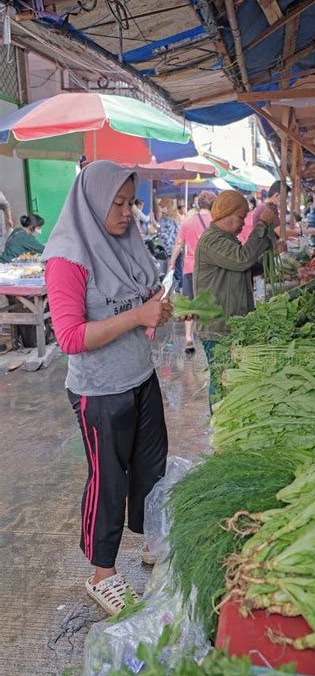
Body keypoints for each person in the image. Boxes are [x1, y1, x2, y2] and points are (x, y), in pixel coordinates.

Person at [43, 161, 173, 615]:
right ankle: (102, 574)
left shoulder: (125, 240)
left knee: (151, 466)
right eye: (116, 203)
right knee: (109, 478)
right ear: (93, 200)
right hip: (100, 390)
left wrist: (154, 312)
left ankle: (152, 541)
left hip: (140, 375)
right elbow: (70, 338)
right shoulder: (68, 256)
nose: (125, 212)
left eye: (130, 201)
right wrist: (137, 317)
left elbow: (141, 299)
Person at [193, 190, 277, 404]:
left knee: (231, 382)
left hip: (231, 326)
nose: (243, 223)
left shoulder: (227, 240)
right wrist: (261, 226)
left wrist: (268, 242)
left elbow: (245, 266)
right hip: (218, 328)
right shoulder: (212, 241)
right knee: (222, 382)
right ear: (226, 213)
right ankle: (219, 429)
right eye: (241, 217)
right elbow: (242, 260)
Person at [168, 190, 216, 353]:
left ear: (198, 204)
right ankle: (206, 332)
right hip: (209, 268)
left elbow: (179, 244)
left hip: (189, 267)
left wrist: (172, 262)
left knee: (189, 302)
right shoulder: (216, 222)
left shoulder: (187, 222)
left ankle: (189, 336)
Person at [158, 199, 183, 288]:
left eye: (161, 207)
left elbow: (164, 236)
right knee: (178, 270)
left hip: (168, 250)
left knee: (167, 273)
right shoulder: (178, 217)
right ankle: (180, 290)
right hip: (177, 248)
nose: (160, 209)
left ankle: (170, 291)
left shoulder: (164, 220)